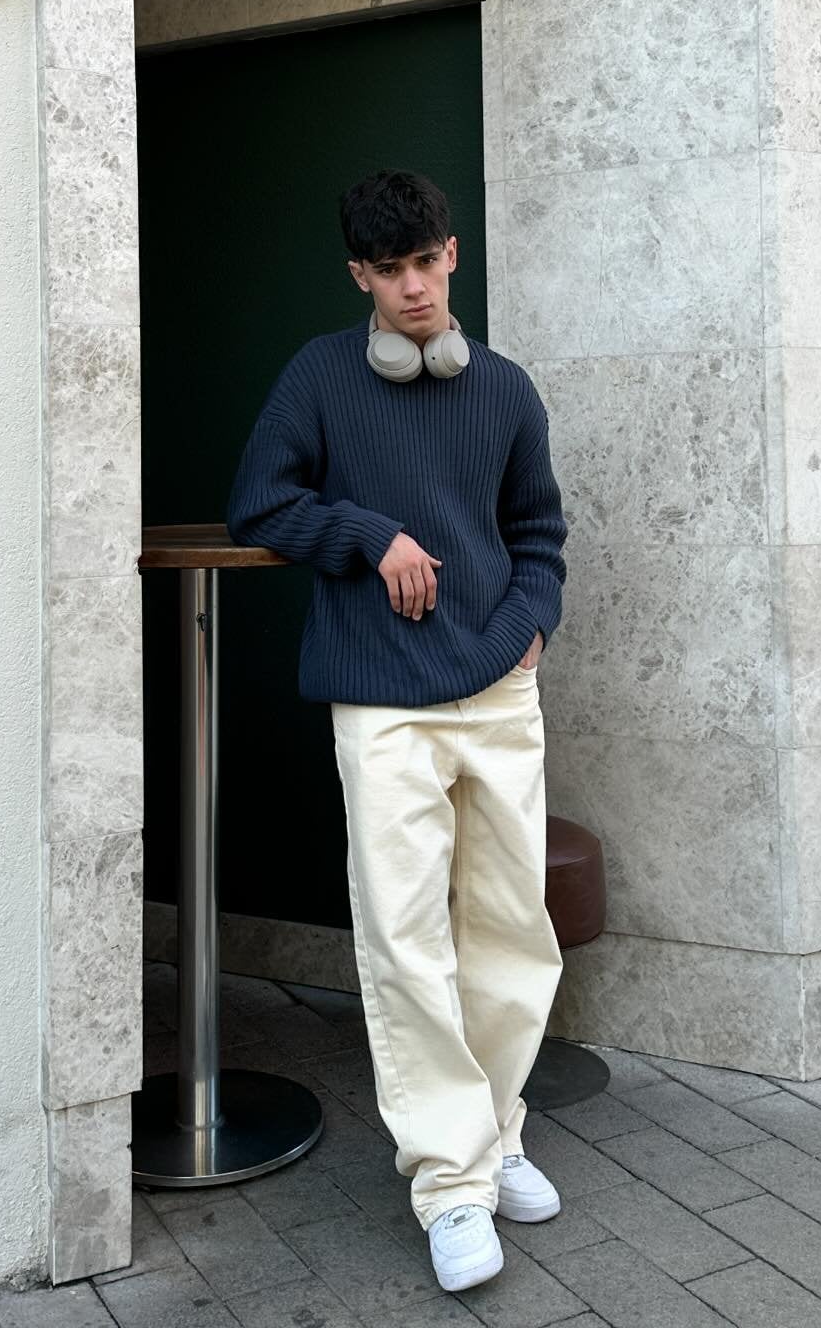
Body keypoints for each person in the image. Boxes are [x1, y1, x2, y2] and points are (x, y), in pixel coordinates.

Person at [226, 169, 569, 1294]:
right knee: (406, 937)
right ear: (359, 277)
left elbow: (539, 534)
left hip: (499, 690)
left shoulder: (505, 390)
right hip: (381, 699)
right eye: (390, 271)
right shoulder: (321, 377)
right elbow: (261, 502)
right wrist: (371, 536)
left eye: (427, 262)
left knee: (513, 929)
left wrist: (525, 631)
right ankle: (450, 1183)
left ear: (451, 255)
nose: (414, 287)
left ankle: (499, 1134)